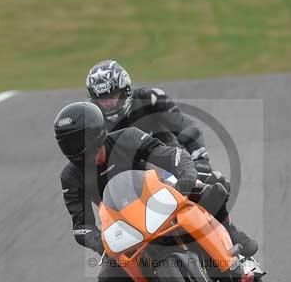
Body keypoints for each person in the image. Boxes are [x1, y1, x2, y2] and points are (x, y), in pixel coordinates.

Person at [54, 102, 258, 282]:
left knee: (211, 185)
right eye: (74, 147)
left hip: (159, 197)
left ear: (99, 134)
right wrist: (101, 243)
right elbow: (81, 226)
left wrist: (185, 178)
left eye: (87, 145)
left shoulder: (128, 137)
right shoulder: (70, 177)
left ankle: (231, 233)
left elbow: (173, 155)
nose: (85, 154)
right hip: (123, 226)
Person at [85, 60, 227, 192]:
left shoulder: (151, 98)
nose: (108, 103)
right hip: (128, 180)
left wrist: (200, 159)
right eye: (102, 99)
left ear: (125, 90)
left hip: (171, 163)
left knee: (217, 185)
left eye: (112, 96)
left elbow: (184, 126)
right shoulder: (92, 120)